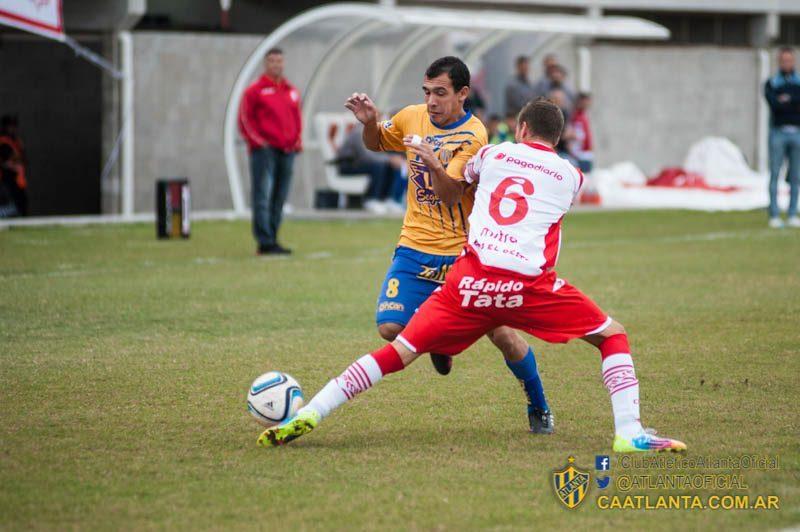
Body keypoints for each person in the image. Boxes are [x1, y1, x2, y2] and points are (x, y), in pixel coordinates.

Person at [258, 99, 687, 454]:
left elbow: (461, 184)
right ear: (556, 139)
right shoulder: (573, 176)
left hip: (469, 280)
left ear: (519, 129)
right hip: (526, 286)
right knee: (612, 334)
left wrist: (432, 160)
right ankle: (629, 431)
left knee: (397, 351)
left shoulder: (492, 153)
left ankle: (311, 413)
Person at [342, 56, 553, 433]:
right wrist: (371, 122)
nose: (431, 101)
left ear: (462, 93)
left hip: (462, 252)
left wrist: (432, 163)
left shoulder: (474, 135)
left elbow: (451, 195)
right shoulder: (411, 116)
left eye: (440, 93)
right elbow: (376, 144)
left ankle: (539, 405)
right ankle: (439, 342)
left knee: (502, 334)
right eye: (427, 92)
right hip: (413, 244)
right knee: (390, 327)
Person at [238, 48, 302, 254]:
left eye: (279, 60)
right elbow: (245, 119)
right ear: (266, 64)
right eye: (272, 61)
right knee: (263, 195)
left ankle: (273, 238)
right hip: (265, 151)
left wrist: (296, 141)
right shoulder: (255, 90)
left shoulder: (291, 90)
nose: (276, 64)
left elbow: (297, 119)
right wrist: (259, 142)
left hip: (287, 150)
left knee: (279, 197)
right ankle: (264, 241)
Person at [764, 47, 800, 228]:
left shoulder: (798, 82)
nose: (787, 63)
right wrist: (791, 102)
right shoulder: (772, 83)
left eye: (790, 60)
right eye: (783, 60)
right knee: (775, 173)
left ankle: (793, 213)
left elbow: (795, 105)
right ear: (779, 62)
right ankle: (774, 214)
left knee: (795, 175)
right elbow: (775, 105)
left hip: (797, 133)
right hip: (778, 133)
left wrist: (788, 100)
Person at [336, 123, 405, 214]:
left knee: (389, 165)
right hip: (348, 165)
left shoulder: (376, 132)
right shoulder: (359, 132)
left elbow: (380, 152)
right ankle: (371, 199)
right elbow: (366, 156)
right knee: (379, 165)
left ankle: (387, 199)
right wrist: (390, 159)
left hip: (361, 164)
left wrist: (393, 159)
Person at [0, 115, 28, 216]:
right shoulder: (3, 141)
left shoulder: (15, 141)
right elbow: (9, 159)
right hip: (7, 181)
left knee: (21, 205)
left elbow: (23, 160)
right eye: (10, 126)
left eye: (14, 126)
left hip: (17, 181)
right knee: (13, 207)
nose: (13, 129)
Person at [568, 93, 594, 173]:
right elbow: (575, 135)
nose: (586, 104)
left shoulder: (584, 115)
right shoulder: (574, 116)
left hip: (586, 153)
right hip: (579, 154)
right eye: (584, 102)